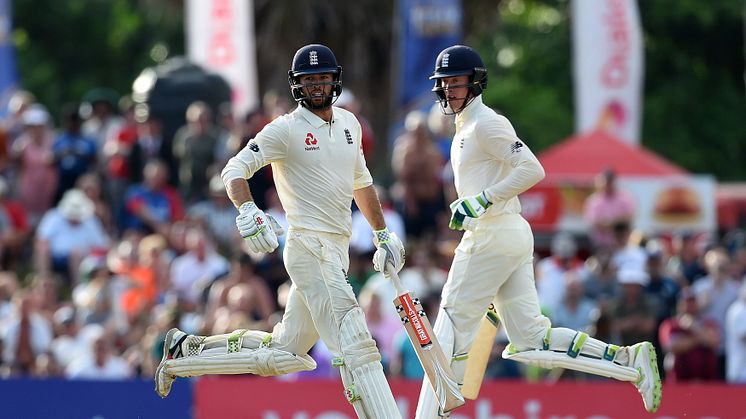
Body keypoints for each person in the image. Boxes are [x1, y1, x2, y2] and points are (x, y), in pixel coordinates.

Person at [154, 44, 404, 418]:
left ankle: (184, 352)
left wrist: (382, 233)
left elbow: (362, 185)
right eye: (309, 80)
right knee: (356, 343)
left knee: (287, 354)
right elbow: (233, 170)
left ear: (335, 80)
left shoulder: (351, 125)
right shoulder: (285, 129)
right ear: (296, 86)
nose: (317, 86)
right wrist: (248, 209)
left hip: (336, 250)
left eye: (322, 79)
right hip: (307, 247)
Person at [415, 45, 661, 418]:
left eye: (457, 81)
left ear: (476, 82)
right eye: (444, 82)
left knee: (447, 328)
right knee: (532, 341)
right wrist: (473, 206)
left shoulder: (487, 123)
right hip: (505, 234)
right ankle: (629, 361)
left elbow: (532, 169)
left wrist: (481, 202)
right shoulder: (466, 128)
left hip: (493, 234)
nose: (449, 89)